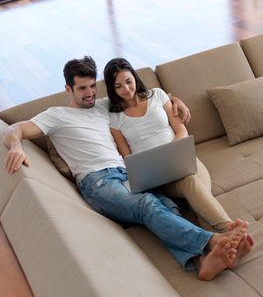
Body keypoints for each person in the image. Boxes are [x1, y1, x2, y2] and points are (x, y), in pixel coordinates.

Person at [4, 56, 253, 281]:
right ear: (68, 89)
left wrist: (175, 100)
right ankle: (215, 240)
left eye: (93, 86)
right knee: (147, 205)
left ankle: (202, 263)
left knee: (167, 206)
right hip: (98, 182)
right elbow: (13, 129)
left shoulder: (103, 106)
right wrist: (16, 146)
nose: (89, 93)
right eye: (82, 88)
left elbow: (146, 97)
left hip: (127, 173)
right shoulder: (55, 115)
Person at [104, 58, 237, 232]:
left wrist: (172, 152)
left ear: (135, 78)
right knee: (192, 184)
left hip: (183, 160)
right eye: (118, 86)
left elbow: (181, 130)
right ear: (112, 89)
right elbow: (127, 157)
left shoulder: (158, 95)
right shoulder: (115, 118)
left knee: (195, 191)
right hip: (159, 176)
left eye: (129, 81)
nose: (127, 89)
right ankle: (230, 228)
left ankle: (226, 239)